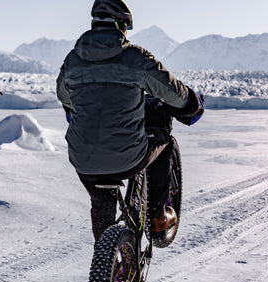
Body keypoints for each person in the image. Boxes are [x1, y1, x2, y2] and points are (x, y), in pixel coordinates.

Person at [56, 0, 204, 243]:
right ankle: (157, 219)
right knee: (163, 141)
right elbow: (173, 93)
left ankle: (109, 261)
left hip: (83, 161)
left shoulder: (72, 60)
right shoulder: (135, 58)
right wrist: (192, 103)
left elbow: (64, 97)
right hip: (128, 158)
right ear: (122, 26)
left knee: (101, 202)